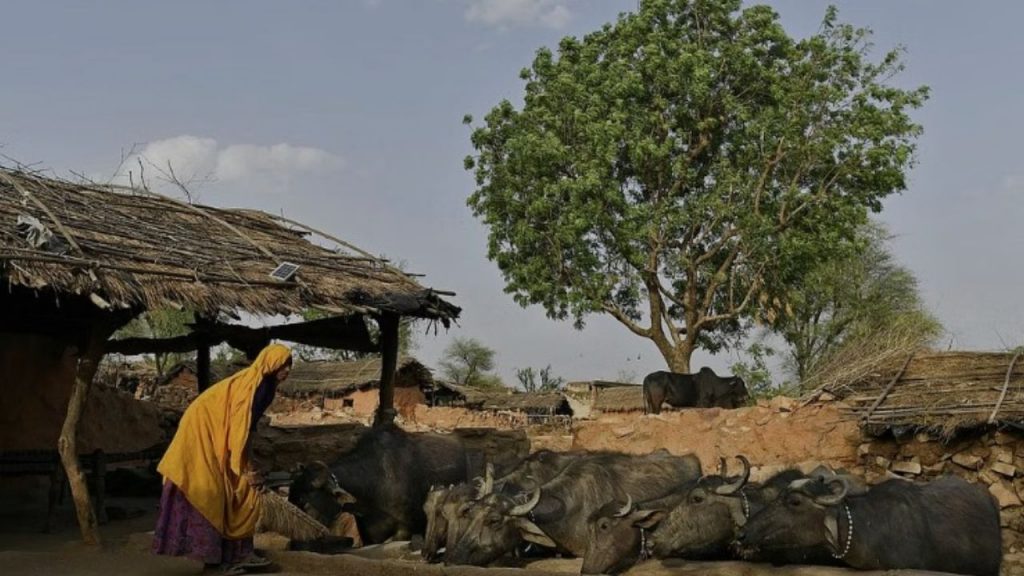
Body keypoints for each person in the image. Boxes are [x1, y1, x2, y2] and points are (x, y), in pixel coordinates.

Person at [153, 343, 292, 575]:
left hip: (219, 436)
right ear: (270, 362)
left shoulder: (266, 386)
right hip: (201, 436)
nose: (287, 369)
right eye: (283, 363)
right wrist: (247, 469)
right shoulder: (253, 387)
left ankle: (239, 554)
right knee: (212, 494)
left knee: (239, 492)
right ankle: (214, 564)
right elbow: (240, 431)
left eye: (289, 365)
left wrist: (248, 464)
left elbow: (246, 430)